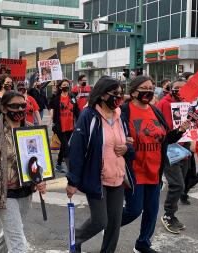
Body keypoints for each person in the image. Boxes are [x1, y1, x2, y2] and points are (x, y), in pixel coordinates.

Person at [120, 75, 188, 253]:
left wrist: (180, 130)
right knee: (134, 210)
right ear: (134, 91)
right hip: (134, 170)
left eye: (151, 87)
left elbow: (166, 137)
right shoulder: (123, 111)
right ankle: (111, 223)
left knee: (151, 211)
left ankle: (143, 243)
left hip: (154, 170)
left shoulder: (154, 111)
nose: (148, 91)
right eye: (144, 87)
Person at [0, 91, 47, 253]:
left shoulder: (30, 129)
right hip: (4, 194)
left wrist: (41, 179)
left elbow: (38, 161)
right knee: (18, 243)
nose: (20, 110)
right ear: (4, 108)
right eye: (14, 106)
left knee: (11, 231)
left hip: (25, 192)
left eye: (23, 106)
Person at [66, 76, 130, 253]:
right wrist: (73, 181)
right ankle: (76, 238)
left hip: (117, 175)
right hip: (97, 177)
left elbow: (128, 140)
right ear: (102, 95)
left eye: (121, 93)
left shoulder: (119, 115)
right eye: (115, 93)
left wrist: (127, 147)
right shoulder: (89, 116)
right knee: (100, 221)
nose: (119, 96)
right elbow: (77, 148)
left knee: (114, 224)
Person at [156, 78, 191, 234]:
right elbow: (157, 125)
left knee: (180, 183)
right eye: (177, 88)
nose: (180, 91)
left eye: (184, 88)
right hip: (170, 148)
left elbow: (197, 123)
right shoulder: (163, 104)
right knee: (177, 185)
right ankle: (168, 214)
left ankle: (172, 214)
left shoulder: (188, 103)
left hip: (184, 147)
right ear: (171, 88)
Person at [48, 79, 79, 173]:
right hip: (59, 126)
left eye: (67, 84)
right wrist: (50, 120)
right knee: (66, 146)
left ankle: (58, 165)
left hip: (70, 126)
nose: (66, 86)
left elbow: (76, 110)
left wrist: (81, 120)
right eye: (64, 85)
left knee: (63, 146)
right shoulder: (56, 97)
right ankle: (71, 168)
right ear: (60, 87)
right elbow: (51, 108)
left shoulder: (72, 96)